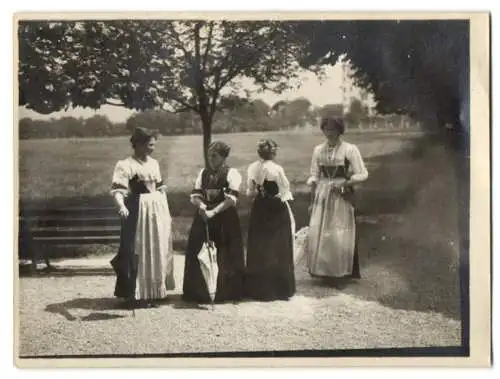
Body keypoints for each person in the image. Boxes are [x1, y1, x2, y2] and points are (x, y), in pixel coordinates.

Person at [110, 127, 175, 309]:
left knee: (156, 248)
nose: (152, 148)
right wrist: (121, 205)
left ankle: (154, 292)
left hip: (156, 211)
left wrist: (165, 205)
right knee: (137, 250)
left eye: (153, 144)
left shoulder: (154, 164)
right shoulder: (125, 165)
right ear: (137, 144)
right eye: (148, 144)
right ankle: (134, 293)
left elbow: (160, 186)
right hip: (138, 210)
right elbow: (118, 190)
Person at [182, 141, 245, 304]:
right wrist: (201, 206)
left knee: (225, 253)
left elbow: (231, 200)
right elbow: (196, 194)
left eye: (214, 156)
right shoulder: (203, 173)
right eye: (209, 155)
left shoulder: (232, 174)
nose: (211, 159)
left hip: (224, 217)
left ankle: (225, 292)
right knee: (197, 249)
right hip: (204, 216)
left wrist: (213, 212)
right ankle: (199, 291)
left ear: (223, 157)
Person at [307, 117, 369, 279]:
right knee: (323, 231)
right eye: (327, 129)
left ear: (340, 131)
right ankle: (324, 270)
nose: (329, 133)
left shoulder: (349, 149)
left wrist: (345, 184)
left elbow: (362, 173)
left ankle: (341, 270)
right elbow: (314, 175)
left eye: (333, 129)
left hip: (342, 193)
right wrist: (312, 198)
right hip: (323, 193)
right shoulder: (318, 150)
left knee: (339, 230)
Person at [243, 139, 296, 301]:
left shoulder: (253, 167)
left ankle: (258, 287)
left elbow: (249, 193)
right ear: (273, 152)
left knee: (261, 245)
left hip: (259, 208)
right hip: (276, 209)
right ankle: (279, 288)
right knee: (277, 246)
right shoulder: (276, 169)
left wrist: (260, 192)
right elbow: (284, 190)